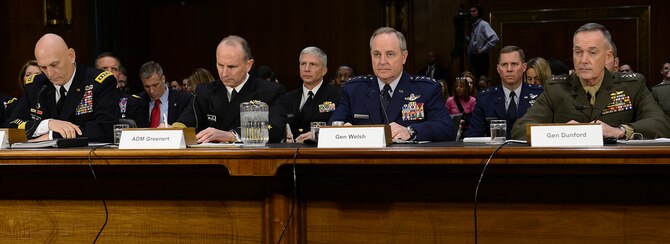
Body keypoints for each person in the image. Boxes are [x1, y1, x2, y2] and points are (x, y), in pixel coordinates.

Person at [512, 23, 670, 140]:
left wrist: (620, 131)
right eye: (578, 52)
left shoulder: (632, 86)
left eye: (592, 52)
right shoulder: (556, 89)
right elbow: (520, 129)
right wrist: (560, 131)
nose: (583, 60)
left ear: (608, 56)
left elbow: (660, 124)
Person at [328, 27, 455, 141]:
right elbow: (332, 127)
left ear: (404, 57)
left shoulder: (426, 89)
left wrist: (410, 131)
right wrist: (342, 131)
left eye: (390, 54)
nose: (382, 61)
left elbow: (446, 129)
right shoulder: (354, 90)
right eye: (377, 54)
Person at [6, 33, 119, 142]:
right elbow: (11, 126)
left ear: (71, 56)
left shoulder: (99, 82)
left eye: (54, 65)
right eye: (43, 68)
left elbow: (105, 128)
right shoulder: (36, 85)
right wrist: (48, 124)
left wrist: (52, 136)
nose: (50, 74)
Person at [175, 35, 286, 143]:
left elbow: (275, 130)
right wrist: (170, 130)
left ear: (249, 65)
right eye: (220, 65)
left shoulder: (271, 92)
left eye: (231, 67)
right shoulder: (205, 91)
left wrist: (233, 135)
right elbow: (186, 121)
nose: (224, 73)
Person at [466, 46, 543, 139]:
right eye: (504, 65)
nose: (509, 69)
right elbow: (474, 138)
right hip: (495, 152)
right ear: (498, 69)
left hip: (530, 152)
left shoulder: (541, 95)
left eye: (514, 64)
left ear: (524, 67)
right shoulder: (485, 99)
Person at [276, 46, 343, 143]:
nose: (306, 69)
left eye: (313, 64)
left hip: (321, 152)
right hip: (291, 152)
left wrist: (318, 135)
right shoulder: (288, 97)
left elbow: (342, 127)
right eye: (303, 64)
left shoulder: (337, 95)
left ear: (324, 71)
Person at [135, 61, 193, 128]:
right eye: (147, 87)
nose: (151, 91)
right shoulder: (137, 101)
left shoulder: (183, 99)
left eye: (155, 85)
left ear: (163, 79)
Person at [467, 4, 499, 79]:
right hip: (474, 56)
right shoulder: (474, 25)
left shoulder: (484, 24)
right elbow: (475, 41)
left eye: (474, 11)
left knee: (481, 79)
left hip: (481, 57)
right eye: (470, 11)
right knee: (474, 78)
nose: (471, 13)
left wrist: (483, 49)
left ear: (479, 12)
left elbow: (495, 38)